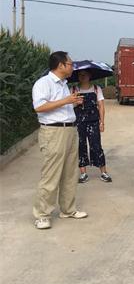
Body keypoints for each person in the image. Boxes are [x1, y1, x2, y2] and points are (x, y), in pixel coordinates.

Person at [31, 51, 87, 230]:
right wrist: (66, 100)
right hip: (53, 132)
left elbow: (61, 106)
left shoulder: (64, 85)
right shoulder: (43, 83)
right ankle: (42, 215)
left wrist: (73, 103)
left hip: (70, 130)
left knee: (70, 173)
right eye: (70, 64)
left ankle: (68, 209)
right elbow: (39, 107)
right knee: (51, 174)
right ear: (61, 65)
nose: (72, 67)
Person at [72, 69, 111, 183]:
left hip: (93, 122)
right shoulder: (74, 89)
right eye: (80, 75)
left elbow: (101, 106)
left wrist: (102, 122)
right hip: (79, 122)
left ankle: (103, 172)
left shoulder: (96, 89)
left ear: (89, 76)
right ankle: (83, 173)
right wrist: (75, 103)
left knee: (96, 145)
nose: (82, 77)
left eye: (84, 74)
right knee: (81, 146)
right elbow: (67, 106)